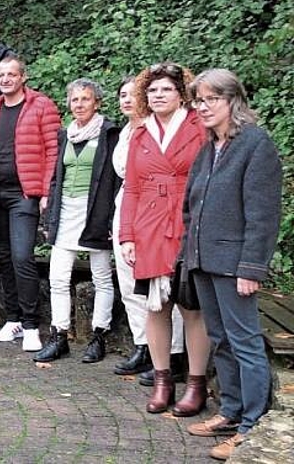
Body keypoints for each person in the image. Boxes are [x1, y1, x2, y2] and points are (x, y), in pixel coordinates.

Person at [182, 69, 281, 461]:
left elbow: (263, 215)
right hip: (205, 259)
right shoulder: (209, 148)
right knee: (220, 339)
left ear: (232, 100)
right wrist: (190, 250)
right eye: (198, 101)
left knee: (245, 342)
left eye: (210, 100)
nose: (202, 108)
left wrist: (251, 268)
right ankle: (231, 411)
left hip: (235, 263)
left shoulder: (255, 145)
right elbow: (192, 205)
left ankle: (252, 425)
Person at [119, 62, 209, 417]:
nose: (158, 95)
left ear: (181, 92)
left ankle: (196, 384)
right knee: (155, 306)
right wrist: (127, 235)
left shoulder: (199, 127)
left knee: (192, 306)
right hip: (149, 225)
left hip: (188, 221)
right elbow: (132, 188)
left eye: (166, 89)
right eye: (152, 90)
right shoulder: (140, 133)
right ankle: (162, 381)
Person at [37, 79, 120, 363]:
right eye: (75, 100)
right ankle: (59, 335)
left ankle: (99, 335)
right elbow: (56, 179)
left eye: (86, 99)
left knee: (101, 278)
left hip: (95, 212)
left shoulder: (110, 134)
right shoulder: (65, 135)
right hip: (66, 211)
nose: (80, 104)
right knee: (58, 277)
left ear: (97, 102)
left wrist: (111, 218)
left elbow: (115, 179)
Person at [0, 54, 61, 351]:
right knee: (4, 256)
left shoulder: (41, 106)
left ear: (23, 77)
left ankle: (31, 324)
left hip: (24, 194)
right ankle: (12, 318)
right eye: (1, 75)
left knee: (22, 256)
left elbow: (53, 151)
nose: (5, 79)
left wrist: (44, 193)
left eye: (11, 74)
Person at [111, 77, 186, 381]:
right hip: (130, 205)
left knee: (167, 285)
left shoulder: (164, 131)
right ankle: (143, 345)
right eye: (123, 95)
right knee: (130, 282)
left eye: (132, 94)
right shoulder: (128, 133)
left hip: (163, 209)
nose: (127, 100)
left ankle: (175, 352)